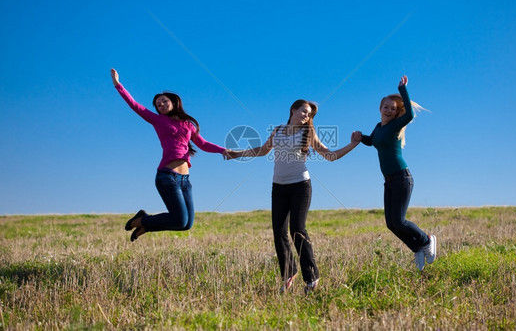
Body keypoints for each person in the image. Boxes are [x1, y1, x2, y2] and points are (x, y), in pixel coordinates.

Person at [228, 100, 361, 293]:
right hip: (278, 187)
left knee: (297, 230)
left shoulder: (307, 133)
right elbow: (263, 151)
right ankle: (289, 273)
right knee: (279, 232)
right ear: (293, 110)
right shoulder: (278, 130)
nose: (306, 116)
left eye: (309, 115)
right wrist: (237, 154)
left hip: (300, 186)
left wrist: (353, 144)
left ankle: (311, 277)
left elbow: (330, 155)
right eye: (304, 112)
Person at [110, 68, 228, 242]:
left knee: (186, 224)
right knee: (180, 219)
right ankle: (143, 220)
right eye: (158, 104)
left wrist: (222, 150)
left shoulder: (188, 124)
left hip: (185, 181)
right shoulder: (158, 120)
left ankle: (145, 223)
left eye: (164, 101)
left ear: (173, 102)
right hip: (167, 177)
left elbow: (203, 144)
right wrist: (118, 85)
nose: (161, 105)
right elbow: (135, 105)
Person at [358, 75, 436, 271]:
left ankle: (426, 240)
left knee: (399, 220)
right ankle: (416, 247)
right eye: (386, 107)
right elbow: (374, 142)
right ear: (380, 108)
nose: (389, 110)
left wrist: (403, 90)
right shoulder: (378, 129)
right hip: (389, 180)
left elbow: (409, 114)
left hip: (402, 177)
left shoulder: (395, 126)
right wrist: (361, 138)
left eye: (393, 108)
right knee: (391, 224)